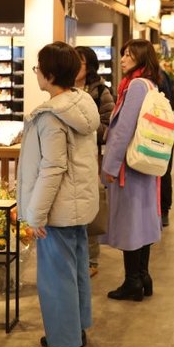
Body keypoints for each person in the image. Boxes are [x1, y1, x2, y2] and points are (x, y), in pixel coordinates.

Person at [18, 42, 100, 347]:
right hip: (77, 206)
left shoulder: (51, 116)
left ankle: (64, 345)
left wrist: (36, 215)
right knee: (75, 271)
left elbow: (52, 168)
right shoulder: (81, 104)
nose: (36, 73)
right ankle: (74, 330)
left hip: (58, 210)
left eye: (38, 68)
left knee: (56, 278)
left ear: (50, 75)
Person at [101, 39, 164, 302]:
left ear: (140, 58)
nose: (123, 59)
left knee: (130, 223)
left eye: (128, 55)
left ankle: (132, 281)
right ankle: (143, 276)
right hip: (145, 162)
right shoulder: (150, 83)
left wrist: (110, 165)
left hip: (130, 166)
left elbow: (124, 128)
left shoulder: (136, 86)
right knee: (142, 222)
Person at [75, 46, 115, 278]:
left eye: (79, 62)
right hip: (69, 157)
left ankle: (91, 259)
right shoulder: (64, 89)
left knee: (90, 206)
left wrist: (84, 126)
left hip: (91, 158)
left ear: (89, 66)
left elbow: (108, 127)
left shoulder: (101, 91)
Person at [157, 67, 174, 228]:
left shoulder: (159, 77)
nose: (123, 60)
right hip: (162, 130)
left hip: (160, 131)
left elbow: (169, 105)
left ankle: (163, 210)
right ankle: (162, 210)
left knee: (162, 170)